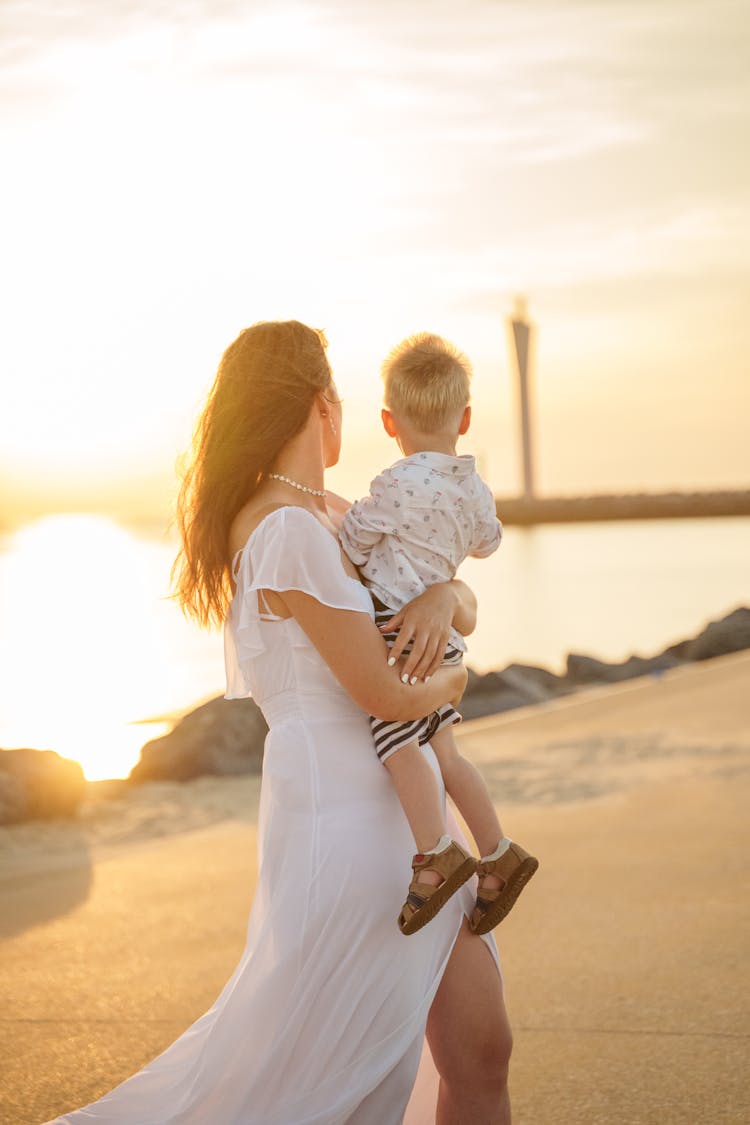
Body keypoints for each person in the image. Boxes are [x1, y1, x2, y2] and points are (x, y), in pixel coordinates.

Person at [44, 320, 513, 1124]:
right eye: (338, 399)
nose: (347, 416)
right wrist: (459, 670)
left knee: (481, 1048)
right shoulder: (287, 530)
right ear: (316, 404)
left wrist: (445, 599)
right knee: (321, 1080)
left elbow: (449, 589)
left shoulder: (330, 511)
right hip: (351, 827)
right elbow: (387, 694)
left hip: (406, 806)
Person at [339, 333, 538, 937]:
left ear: (388, 421)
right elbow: (489, 542)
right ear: (466, 418)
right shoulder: (474, 491)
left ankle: (436, 853)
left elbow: (352, 541)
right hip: (445, 640)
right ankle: (498, 850)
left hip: (402, 640)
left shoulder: (395, 484)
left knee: (399, 745)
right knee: (447, 754)